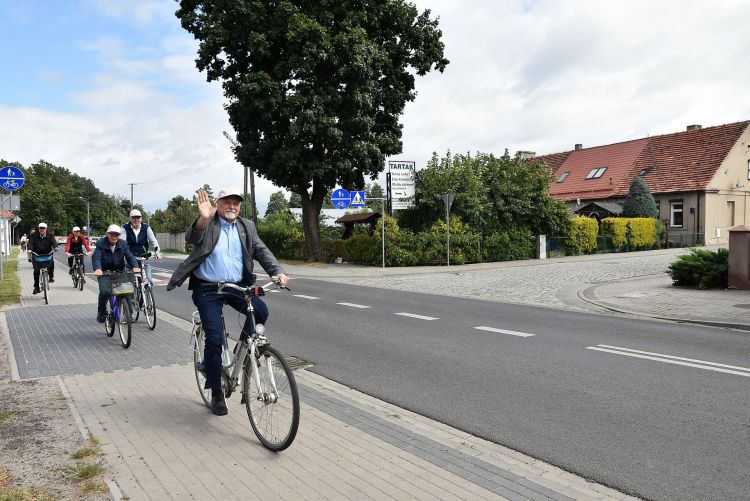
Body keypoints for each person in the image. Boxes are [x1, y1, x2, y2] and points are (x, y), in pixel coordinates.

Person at [167, 187, 289, 416]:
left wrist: (277, 271)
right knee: (214, 338)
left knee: (261, 311)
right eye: (227, 202)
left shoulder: (247, 226)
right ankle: (216, 391)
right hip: (207, 288)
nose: (232, 206)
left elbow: (261, 250)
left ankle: (242, 349)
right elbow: (192, 237)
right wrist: (203, 219)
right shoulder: (209, 223)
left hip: (236, 286)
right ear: (218, 204)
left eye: (236, 202)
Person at [92, 225, 141, 323]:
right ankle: (101, 312)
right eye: (112, 234)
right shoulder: (101, 243)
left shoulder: (123, 244)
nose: (114, 237)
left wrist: (135, 266)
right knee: (105, 292)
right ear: (107, 234)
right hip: (104, 272)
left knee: (126, 291)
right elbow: (96, 257)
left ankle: (129, 314)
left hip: (119, 271)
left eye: (117, 235)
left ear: (119, 235)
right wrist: (98, 269)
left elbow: (130, 257)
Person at [120, 209, 162, 284]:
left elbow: (153, 240)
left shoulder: (146, 227)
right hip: (130, 258)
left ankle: (147, 293)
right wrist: (123, 254)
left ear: (141, 219)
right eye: (134, 217)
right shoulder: (124, 228)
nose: (136, 219)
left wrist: (157, 252)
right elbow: (122, 242)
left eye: (138, 217)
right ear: (130, 219)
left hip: (143, 257)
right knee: (130, 283)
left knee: (149, 281)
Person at [26, 222, 58, 294]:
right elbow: (30, 243)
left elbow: (54, 242)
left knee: (51, 263)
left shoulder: (50, 235)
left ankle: (51, 276)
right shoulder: (33, 235)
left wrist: (55, 247)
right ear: (38, 229)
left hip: (47, 253)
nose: (42, 229)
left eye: (43, 228)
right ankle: (36, 287)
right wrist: (30, 249)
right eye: (40, 228)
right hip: (36, 254)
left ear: (46, 229)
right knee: (36, 271)